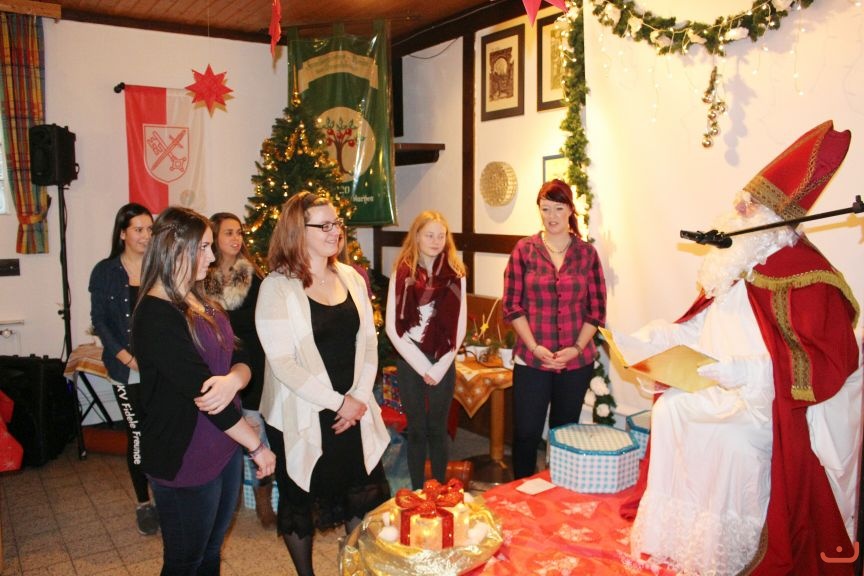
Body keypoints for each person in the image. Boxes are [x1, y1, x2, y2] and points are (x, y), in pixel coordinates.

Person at [628, 121, 861, 576]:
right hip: (715, 387)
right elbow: (701, 326)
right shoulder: (733, 263)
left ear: (774, 222)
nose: (737, 208)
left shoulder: (808, 276)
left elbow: (826, 362)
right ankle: (675, 538)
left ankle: (722, 551)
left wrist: (746, 372)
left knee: (731, 440)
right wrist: (661, 337)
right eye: (743, 199)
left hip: (763, 402)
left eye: (750, 205)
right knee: (670, 410)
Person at [132, 206, 276, 575]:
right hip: (186, 456)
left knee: (211, 552)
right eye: (203, 248)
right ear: (174, 248)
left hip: (222, 447)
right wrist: (256, 446)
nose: (211, 257)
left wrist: (234, 380)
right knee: (185, 562)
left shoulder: (200, 299)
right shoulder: (156, 314)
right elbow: (205, 396)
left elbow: (243, 354)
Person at [256, 191, 390, 576]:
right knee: (301, 500)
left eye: (337, 223)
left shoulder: (350, 276)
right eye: (325, 225)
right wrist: (338, 402)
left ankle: (354, 569)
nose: (336, 231)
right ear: (298, 231)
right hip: (303, 411)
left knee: (362, 493)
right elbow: (282, 363)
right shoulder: (276, 287)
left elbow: (368, 342)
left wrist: (358, 398)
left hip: (354, 408)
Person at [502, 179, 607, 480]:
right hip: (532, 359)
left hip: (575, 362)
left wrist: (575, 349)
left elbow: (596, 309)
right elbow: (512, 305)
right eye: (545, 208)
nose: (552, 216)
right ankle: (521, 493)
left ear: (570, 210)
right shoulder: (524, 250)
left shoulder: (586, 254)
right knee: (526, 433)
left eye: (559, 208)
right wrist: (535, 347)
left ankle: (558, 492)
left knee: (564, 433)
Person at [88, 202, 159, 535]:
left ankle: (165, 493)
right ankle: (144, 503)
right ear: (122, 234)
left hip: (159, 367)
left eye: (149, 229)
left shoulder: (159, 267)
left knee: (162, 431)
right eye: (138, 230)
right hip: (126, 368)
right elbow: (100, 321)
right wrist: (127, 357)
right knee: (139, 435)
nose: (146, 236)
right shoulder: (105, 271)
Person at [203, 212, 276, 528]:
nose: (236, 239)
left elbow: (265, 320)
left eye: (239, 233)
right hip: (219, 360)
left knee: (256, 428)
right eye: (229, 233)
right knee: (225, 426)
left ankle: (263, 499)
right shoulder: (202, 275)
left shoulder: (253, 275)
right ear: (214, 237)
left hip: (254, 360)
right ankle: (223, 499)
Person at [385, 211, 467, 489]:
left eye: (441, 236)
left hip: (443, 358)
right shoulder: (402, 273)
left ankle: (440, 490)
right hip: (411, 359)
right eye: (429, 235)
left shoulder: (456, 274)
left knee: (438, 429)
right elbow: (393, 328)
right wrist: (423, 367)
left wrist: (440, 367)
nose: (435, 241)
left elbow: (459, 327)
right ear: (417, 236)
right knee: (417, 429)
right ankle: (419, 491)